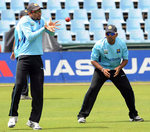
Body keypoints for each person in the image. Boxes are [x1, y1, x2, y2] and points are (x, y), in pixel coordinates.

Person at [8, 3, 60, 130]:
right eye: (36, 12)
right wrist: (44, 28)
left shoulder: (41, 21)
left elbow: (50, 34)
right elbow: (30, 37)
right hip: (24, 57)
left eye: (39, 11)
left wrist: (51, 29)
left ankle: (33, 120)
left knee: (38, 91)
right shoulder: (24, 21)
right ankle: (13, 115)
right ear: (30, 13)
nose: (39, 13)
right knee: (19, 85)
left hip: (37, 57)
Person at [77, 25, 144, 123]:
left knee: (128, 91)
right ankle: (82, 116)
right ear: (105, 34)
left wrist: (119, 67)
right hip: (102, 70)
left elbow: (125, 59)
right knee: (92, 90)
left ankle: (133, 115)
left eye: (112, 33)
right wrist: (102, 69)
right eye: (107, 33)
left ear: (116, 34)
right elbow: (93, 60)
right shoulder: (99, 45)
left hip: (116, 69)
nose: (109, 36)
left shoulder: (121, 44)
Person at [10, 9, 31, 100]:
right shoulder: (22, 25)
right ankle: (22, 94)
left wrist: (14, 51)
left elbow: (15, 39)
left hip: (20, 52)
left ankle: (22, 93)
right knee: (23, 75)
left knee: (23, 74)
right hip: (23, 52)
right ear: (21, 17)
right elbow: (18, 39)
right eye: (25, 15)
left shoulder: (20, 25)